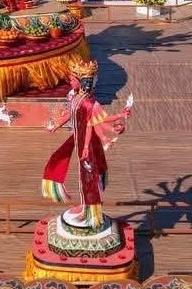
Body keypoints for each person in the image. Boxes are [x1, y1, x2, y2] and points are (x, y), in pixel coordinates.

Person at [41, 60, 133, 229]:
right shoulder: (75, 97)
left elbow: (96, 122)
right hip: (78, 138)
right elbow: (70, 113)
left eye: (72, 78)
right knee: (80, 174)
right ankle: (85, 207)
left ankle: (90, 213)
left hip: (87, 144)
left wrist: (120, 115)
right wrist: (56, 125)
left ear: (81, 81)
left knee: (87, 177)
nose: (69, 81)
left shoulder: (89, 103)